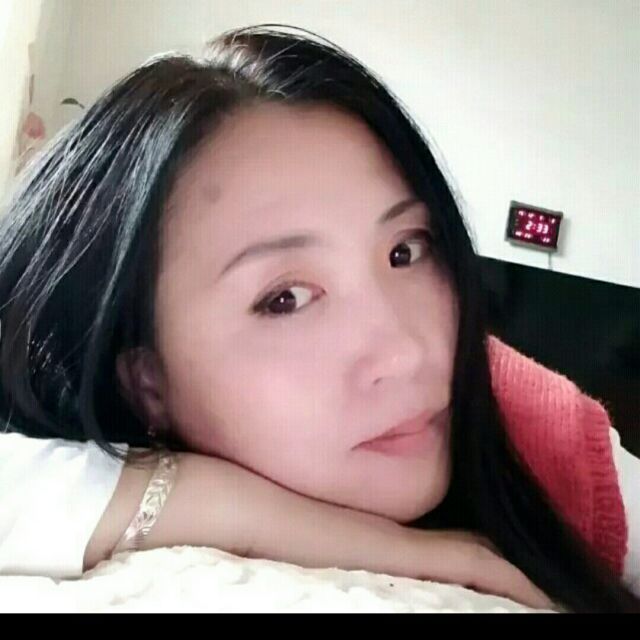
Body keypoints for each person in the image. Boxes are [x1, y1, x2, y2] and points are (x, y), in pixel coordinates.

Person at [0, 25, 638, 612]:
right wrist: (238, 511)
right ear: (148, 383)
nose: (407, 351)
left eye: (405, 251)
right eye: (285, 298)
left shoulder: (532, 421)